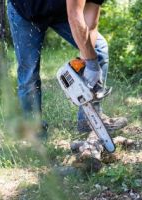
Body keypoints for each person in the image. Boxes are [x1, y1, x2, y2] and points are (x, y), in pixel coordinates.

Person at [7, 0, 128, 137]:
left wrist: (87, 61)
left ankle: (88, 121)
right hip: (26, 9)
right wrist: (92, 64)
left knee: (98, 49)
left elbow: (91, 25)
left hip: (61, 10)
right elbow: (75, 16)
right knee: (29, 73)